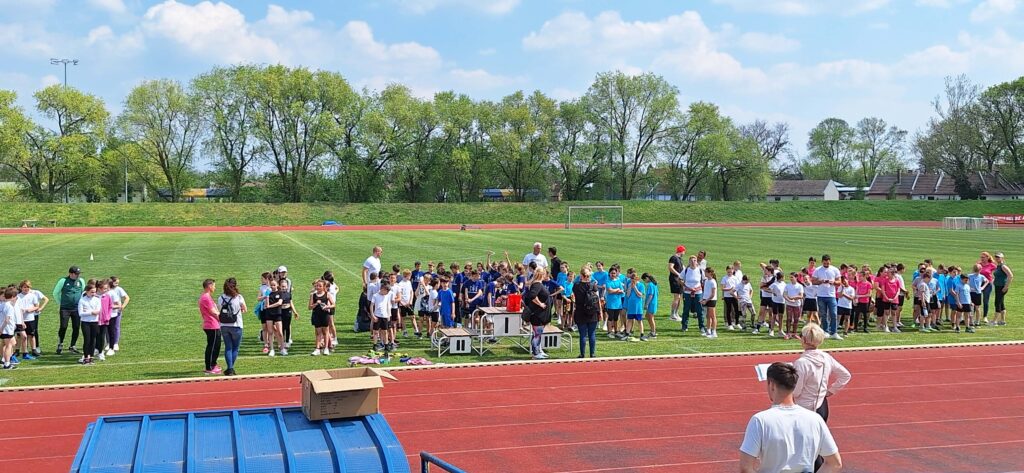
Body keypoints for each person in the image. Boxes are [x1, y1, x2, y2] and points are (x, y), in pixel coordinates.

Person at [739, 362, 843, 473]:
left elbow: (746, 467)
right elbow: (835, 463)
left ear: (771, 385)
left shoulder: (760, 420)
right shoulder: (815, 420)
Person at [793, 323, 852, 472]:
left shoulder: (801, 363)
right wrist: (831, 391)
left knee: (806, 448)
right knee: (816, 445)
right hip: (822, 406)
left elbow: (797, 391)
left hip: (804, 409)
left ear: (804, 340)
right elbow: (845, 375)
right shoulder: (826, 357)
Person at [53, 266, 85, 355]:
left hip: (76, 308)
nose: (78, 275)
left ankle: (72, 345)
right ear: (71, 274)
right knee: (63, 326)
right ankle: (60, 343)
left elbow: (83, 293)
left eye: (78, 274)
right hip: (65, 308)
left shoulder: (81, 281)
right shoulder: (63, 281)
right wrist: (61, 303)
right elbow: (55, 293)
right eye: (76, 274)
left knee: (76, 327)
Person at [218, 277, 246, 376]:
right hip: (236, 325)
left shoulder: (221, 298)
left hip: (224, 325)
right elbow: (245, 309)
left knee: (228, 347)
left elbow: (219, 310)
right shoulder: (239, 297)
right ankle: (230, 368)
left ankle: (229, 368)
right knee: (235, 348)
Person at [524, 267, 552, 360]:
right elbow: (532, 296)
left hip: (541, 314)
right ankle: (535, 353)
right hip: (537, 314)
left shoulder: (538, 284)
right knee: (537, 334)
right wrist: (540, 304)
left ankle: (539, 351)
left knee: (538, 334)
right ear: (542, 274)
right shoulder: (537, 284)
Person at [573, 266, 601, 358]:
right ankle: (592, 354)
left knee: (583, 335)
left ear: (581, 275)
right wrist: (599, 312)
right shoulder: (593, 285)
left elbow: (574, 297)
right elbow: (597, 300)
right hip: (593, 312)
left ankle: (582, 354)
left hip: (580, 312)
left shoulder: (576, 286)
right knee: (592, 334)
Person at [812, 255, 842, 340]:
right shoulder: (818, 270)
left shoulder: (834, 269)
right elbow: (813, 281)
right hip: (821, 295)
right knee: (823, 314)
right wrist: (821, 281)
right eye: (824, 263)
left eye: (827, 263)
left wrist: (833, 282)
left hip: (831, 295)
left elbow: (839, 282)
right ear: (822, 262)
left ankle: (834, 332)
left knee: (833, 314)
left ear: (830, 261)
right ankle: (826, 331)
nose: (826, 264)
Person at [16, 280, 47, 359]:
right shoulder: (18, 296)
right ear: (21, 288)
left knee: (32, 335)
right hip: (21, 319)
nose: (26, 289)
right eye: (24, 287)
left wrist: (30, 309)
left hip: (30, 318)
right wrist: (21, 311)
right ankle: (18, 351)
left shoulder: (32, 296)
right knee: (20, 335)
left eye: (27, 287)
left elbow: (36, 306)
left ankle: (34, 350)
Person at [198, 279, 222, 374]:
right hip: (212, 325)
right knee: (213, 347)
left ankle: (212, 364)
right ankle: (210, 367)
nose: (215, 288)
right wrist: (223, 319)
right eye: (214, 286)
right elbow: (213, 312)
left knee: (214, 346)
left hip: (212, 324)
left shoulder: (206, 297)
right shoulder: (206, 298)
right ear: (209, 286)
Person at [77, 283, 101, 365]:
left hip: (94, 322)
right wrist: (91, 312)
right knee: (87, 340)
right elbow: (81, 313)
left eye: (94, 292)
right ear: (87, 292)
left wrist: (88, 311)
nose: (93, 294)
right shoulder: (82, 300)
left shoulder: (97, 300)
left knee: (93, 340)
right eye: (92, 292)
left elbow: (98, 311)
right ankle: (86, 357)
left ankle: (91, 357)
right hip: (85, 323)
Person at [681, 255, 706, 335]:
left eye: (694, 260)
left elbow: (704, 280)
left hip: (698, 293)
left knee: (699, 310)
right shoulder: (686, 270)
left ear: (696, 262)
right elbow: (680, 279)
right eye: (691, 261)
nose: (693, 262)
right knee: (686, 309)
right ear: (689, 262)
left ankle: (701, 326)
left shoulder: (700, 270)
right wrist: (685, 286)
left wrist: (698, 288)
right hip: (687, 293)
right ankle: (684, 325)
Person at [309, 279, 334, 356]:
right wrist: (316, 304)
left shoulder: (327, 294)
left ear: (324, 287)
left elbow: (333, 305)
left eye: (320, 286)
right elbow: (309, 307)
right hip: (316, 315)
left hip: (325, 315)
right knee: (318, 332)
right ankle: (317, 349)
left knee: (325, 332)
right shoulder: (313, 295)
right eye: (317, 286)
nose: (318, 287)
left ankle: (326, 348)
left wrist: (327, 307)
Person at [262, 279, 285, 357]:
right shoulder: (268, 293)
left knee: (280, 332)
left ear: (277, 285)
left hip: (277, 314)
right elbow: (266, 305)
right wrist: (267, 297)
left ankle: (282, 348)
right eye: (271, 285)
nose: (272, 286)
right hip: (269, 314)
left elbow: (279, 303)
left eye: (274, 285)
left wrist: (270, 306)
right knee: (270, 332)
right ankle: (272, 349)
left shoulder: (280, 293)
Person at [106, 276, 129, 353]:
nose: (117, 284)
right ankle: (108, 342)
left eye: (118, 283)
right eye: (116, 283)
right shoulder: (107, 290)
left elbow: (127, 298)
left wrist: (122, 306)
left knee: (116, 327)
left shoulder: (119, 289)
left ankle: (115, 343)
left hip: (116, 310)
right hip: (108, 311)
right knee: (107, 327)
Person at [371, 283, 394, 351]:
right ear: (383, 289)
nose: (387, 293)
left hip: (385, 316)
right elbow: (371, 305)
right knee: (375, 331)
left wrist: (388, 315)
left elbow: (387, 305)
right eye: (387, 291)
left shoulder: (387, 296)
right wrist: (373, 315)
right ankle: (375, 345)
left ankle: (386, 345)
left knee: (385, 331)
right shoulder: (375, 295)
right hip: (377, 316)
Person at [992, 252, 1013, 326]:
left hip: (1002, 287)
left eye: (998, 257)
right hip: (998, 286)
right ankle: (1002, 321)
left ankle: (994, 321)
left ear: (1002, 258)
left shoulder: (1003, 266)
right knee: (1001, 303)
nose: (997, 258)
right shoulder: (998, 266)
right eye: (996, 257)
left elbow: (1010, 276)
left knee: (997, 303)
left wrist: (1006, 286)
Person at [604, 267, 625, 338]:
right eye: (612, 273)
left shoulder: (618, 281)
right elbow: (609, 291)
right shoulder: (608, 281)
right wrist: (617, 290)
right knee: (610, 317)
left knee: (616, 318)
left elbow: (622, 290)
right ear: (609, 273)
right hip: (610, 303)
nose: (613, 274)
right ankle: (609, 332)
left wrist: (615, 290)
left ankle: (616, 331)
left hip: (618, 303)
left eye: (614, 273)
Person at [783, 273, 804, 341]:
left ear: (796, 277)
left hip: (797, 305)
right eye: (790, 277)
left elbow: (801, 296)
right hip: (789, 304)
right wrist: (789, 300)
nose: (791, 279)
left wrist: (793, 298)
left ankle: (794, 333)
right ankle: (788, 333)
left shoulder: (799, 286)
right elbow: (784, 294)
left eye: (792, 277)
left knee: (796, 319)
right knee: (789, 319)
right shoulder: (787, 285)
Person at [667, 245, 686, 322]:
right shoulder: (673, 258)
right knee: (676, 297)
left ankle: (676, 313)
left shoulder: (679, 259)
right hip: (674, 279)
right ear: (682, 251)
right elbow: (670, 267)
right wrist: (678, 274)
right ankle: (672, 314)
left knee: (679, 297)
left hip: (679, 279)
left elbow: (683, 268)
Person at [978, 252, 997, 324]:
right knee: (976, 300)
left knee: (985, 300)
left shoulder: (992, 265)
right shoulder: (978, 264)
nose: (982, 259)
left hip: (988, 285)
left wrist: (992, 280)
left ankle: (985, 316)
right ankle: (974, 316)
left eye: (983, 257)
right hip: (979, 284)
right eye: (981, 257)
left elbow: (996, 274)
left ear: (987, 257)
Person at [700, 267, 718, 338]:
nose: (704, 273)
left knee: (713, 316)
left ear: (710, 273)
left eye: (706, 272)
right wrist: (702, 299)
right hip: (706, 300)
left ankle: (714, 332)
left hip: (711, 300)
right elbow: (705, 292)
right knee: (708, 316)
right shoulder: (706, 281)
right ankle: (708, 331)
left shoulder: (713, 282)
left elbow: (713, 294)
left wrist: (706, 300)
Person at [641, 273, 659, 339]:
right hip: (654, 303)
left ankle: (653, 332)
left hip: (651, 303)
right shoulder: (654, 284)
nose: (644, 281)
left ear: (647, 278)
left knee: (651, 318)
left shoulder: (650, 285)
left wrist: (647, 304)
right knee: (647, 316)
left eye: (644, 280)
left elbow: (651, 295)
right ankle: (652, 331)